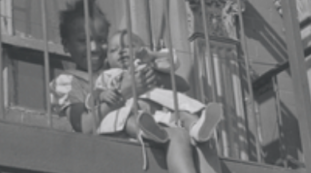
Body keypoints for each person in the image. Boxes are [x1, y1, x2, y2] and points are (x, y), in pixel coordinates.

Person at [49, 0, 254, 173]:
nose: (94, 48)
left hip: (154, 136)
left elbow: (180, 85)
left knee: (190, 136)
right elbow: (85, 126)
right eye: (83, 40)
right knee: (172, 134)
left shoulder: (121, 70)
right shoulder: (69, 81)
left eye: (101, 40)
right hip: (116, 147)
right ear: (66, 45)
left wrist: (148, 69)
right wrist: (124, 92)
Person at [93, 28, 223, 145]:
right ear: (107, 59)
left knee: (182, 115)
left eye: (128, 46)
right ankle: (148, 133)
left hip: (160, 111)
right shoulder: (108, 75)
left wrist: (152, 56)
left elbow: (173, 63)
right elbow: (95, 93)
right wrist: (103, 94)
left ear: (141, 50)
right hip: (134, 110)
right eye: (113, 50)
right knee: (134, 120)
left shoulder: (148, 66)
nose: (121, 52)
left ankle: (198, 129)